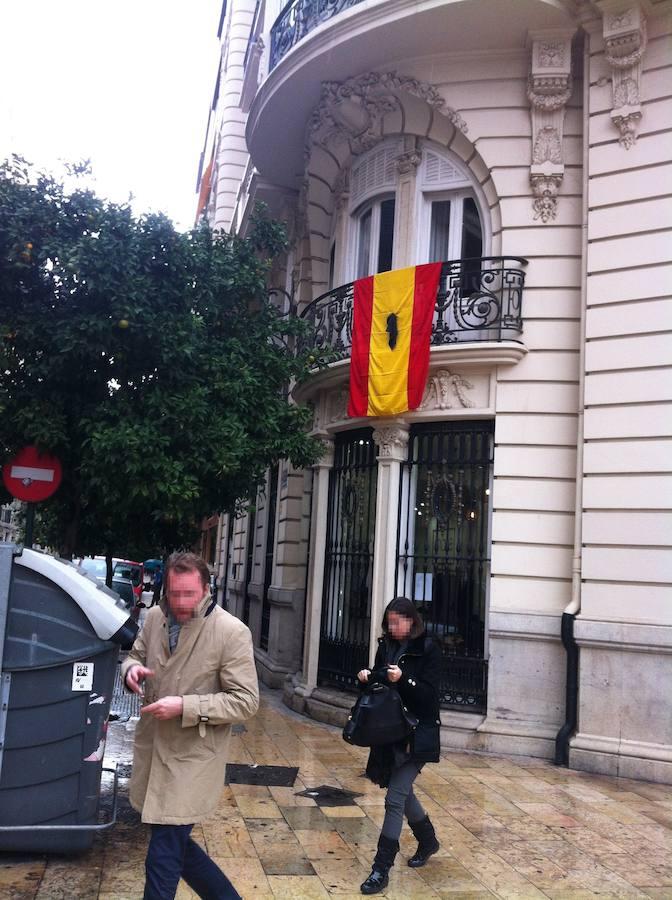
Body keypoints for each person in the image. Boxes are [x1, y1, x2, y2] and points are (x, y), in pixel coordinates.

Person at [121, 551, 259, 900]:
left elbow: (245, 701)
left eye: (189, 594)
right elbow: (134, 655)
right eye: (174, 593)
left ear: (206, 589)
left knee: (163, 857)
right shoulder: (155, 617)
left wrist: (185, 706)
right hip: (154, 751)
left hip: (192, 760)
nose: (181, 602)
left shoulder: (231, 632)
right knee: (176, 847)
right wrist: (130, 672)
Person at [356, 597, 442, 895]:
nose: (392, 628)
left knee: (394, 799)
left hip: (417, 734)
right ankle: (428, 841)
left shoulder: (428, 648)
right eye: (389, 622)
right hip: (390, 731)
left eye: (397, 622)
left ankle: (381, 868)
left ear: (411, 620)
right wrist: (367, 677)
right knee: (403, 796)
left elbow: (430, 698)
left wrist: (404, 680)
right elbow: (381, 683)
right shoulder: (387, 645)